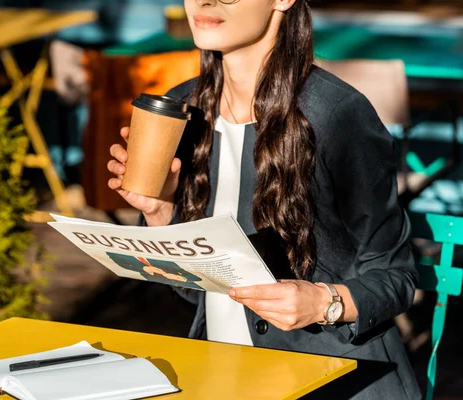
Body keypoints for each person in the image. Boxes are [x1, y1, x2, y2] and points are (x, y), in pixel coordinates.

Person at [107, 0, 420, 398]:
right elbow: (200, 293)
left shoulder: (337, 114)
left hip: (339, 380)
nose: (205, 2)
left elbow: (399, 277)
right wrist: (161, 212)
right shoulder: (182, 109)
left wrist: (324, 303)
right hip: (227, 377)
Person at [106, 252, 204, 290]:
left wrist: (182, 278)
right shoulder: (115, 254)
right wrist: (144, 268)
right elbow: (122, 264)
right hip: (153, 281)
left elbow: (198, 278)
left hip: (185, 280)